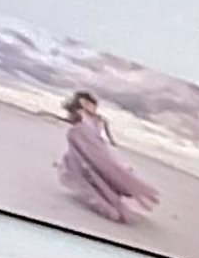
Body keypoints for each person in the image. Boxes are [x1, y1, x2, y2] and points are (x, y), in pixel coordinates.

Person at [55, 90, 163, 228]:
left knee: (106, 178)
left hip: (96, 151)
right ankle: (107, 205)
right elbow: (80, 134)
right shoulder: (80, 124)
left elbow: (102, 135)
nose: (94, 108)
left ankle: (111, 203)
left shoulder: (97, 120)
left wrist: (110, 146)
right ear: (83, 104)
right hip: (83, 153)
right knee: (93, 180)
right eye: (91, 104)